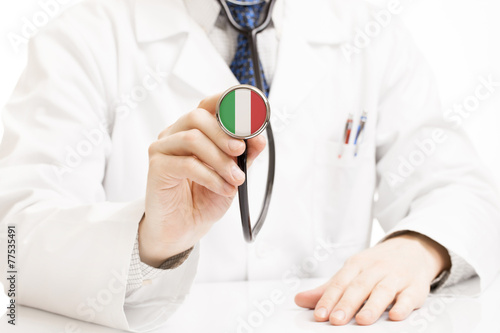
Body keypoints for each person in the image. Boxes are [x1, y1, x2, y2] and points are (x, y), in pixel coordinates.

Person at [1, 0, 499, 331]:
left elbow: (460, 187)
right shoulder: (86, 36)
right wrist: (148, 240)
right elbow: (13, 243)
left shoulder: (370, 32)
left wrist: (417, 247)